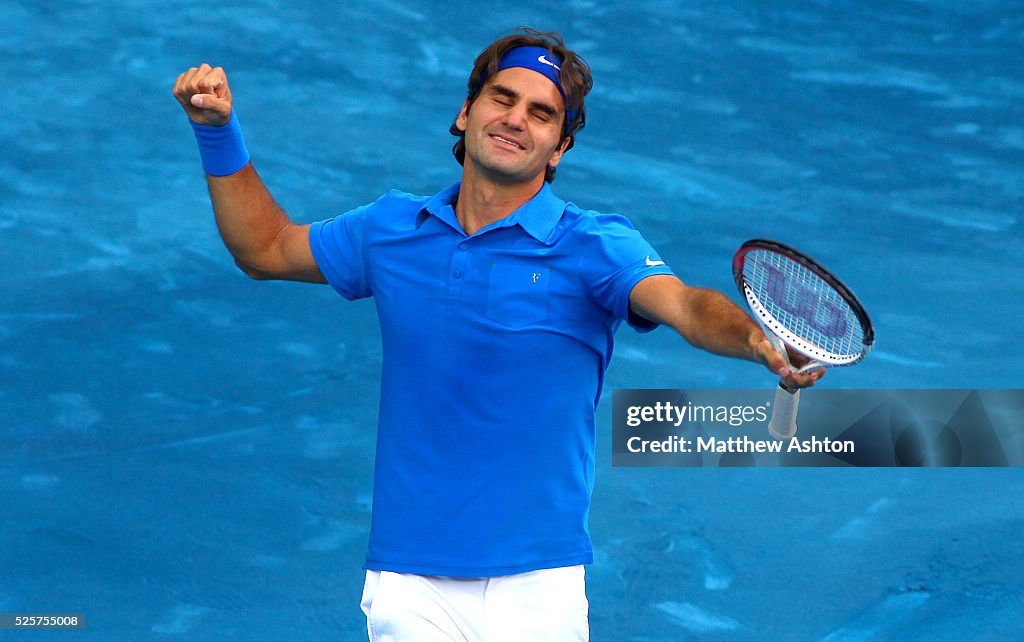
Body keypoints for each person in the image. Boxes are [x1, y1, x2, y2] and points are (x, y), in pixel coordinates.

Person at [173, 27, 821, 642]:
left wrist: (755, 337)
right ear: (465, 112)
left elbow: (682, 304)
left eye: (541, 113)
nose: (515, 118)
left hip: (537, 581)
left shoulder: (594, 245)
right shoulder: (391, 229)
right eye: (502, 98)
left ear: (560, 146)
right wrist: (218, 133)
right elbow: (265, 248)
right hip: (408, 575)